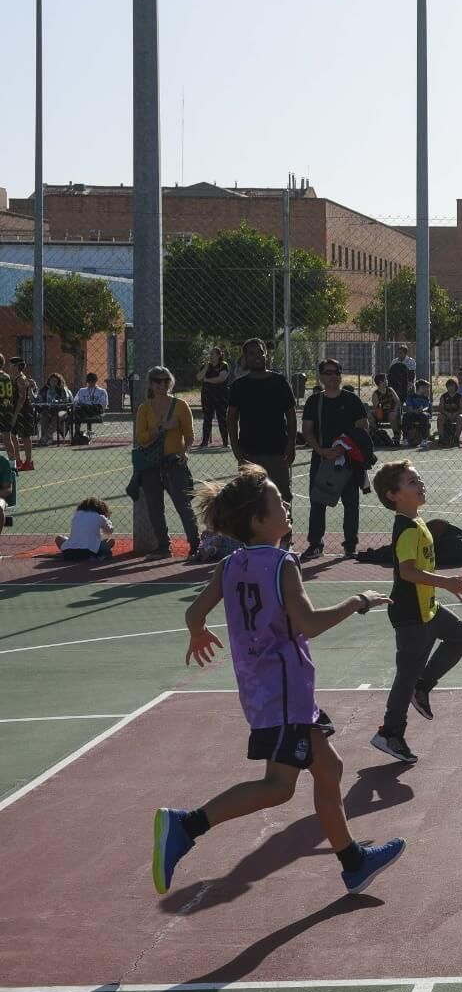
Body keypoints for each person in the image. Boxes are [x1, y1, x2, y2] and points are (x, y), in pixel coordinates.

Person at [152, 464, 405, 897]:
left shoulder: (229, 566)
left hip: (264, 691)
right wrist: (357, 602)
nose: (286, 504)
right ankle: (186, 825)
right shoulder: (282, 564)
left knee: (329, 768)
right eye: (277, 500)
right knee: (279, 787)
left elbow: (194, 614)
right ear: (257, 520)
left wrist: (199, 633)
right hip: (286, 693)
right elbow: (308, 623)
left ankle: (353, 863)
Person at [369, 460, 462, 764]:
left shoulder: (417, 522)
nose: (421, 484)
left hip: (427, 608)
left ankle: (423, 686)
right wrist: (447, 582)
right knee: (406, 676)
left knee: (460, 637)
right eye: (412, 482)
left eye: (419, 479)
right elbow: (407, 572)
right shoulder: (406, 529)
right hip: (411, 614)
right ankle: (390, 732)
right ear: (393, 495)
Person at [228, 338, 298, 545]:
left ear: (266, 354)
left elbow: (291, 415)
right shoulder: (239, 386)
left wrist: (291, 444)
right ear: (245, 358)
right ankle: (253, 541)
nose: (256, 356)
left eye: (260, 352)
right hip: (249, 453)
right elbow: (231, 418)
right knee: (250, 499)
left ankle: (285, 540)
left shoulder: (279, 382)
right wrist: (235, 447)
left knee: (282, 496)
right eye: (251, 353)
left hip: (278, 452)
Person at [302, 359, 370, 559]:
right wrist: (321, 450)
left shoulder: (352, 400)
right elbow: (307, 431)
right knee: (317, 503)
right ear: (320, 376)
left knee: (351, 504)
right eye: (328, 372)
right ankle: (316, 545)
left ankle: (350, 546)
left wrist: (345, 447)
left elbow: (363, 427)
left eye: (337, 372)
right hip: (322, 460)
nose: (333, 376)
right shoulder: (314, 401)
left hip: (349, 462)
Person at [135, 365, 201, 560]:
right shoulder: (144, 408)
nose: (162, 384)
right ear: (151, 384)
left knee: (183, 505)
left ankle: (196, 545)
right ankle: (163, 546)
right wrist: (162, 427)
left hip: (174, 463)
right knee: (155, 508)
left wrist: (185, 452)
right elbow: (142, 438)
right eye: (157, 380)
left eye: (166, 380)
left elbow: (189, 435)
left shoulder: (181, 405)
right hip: (151, 465)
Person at [54, 496, 114, 560]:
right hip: (89, 551)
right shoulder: (100, 517)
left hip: (68, 551)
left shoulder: (77, 515)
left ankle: (71, 553)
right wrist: (107, 520)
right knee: (111, 541)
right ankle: (98, 556)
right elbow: (109, 531)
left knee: (59, 538)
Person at [199, 347, 232, 449]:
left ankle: (225, 442)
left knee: (222, 418)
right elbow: (199, 377)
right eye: (210, 354)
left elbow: (221, 378)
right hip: (207, 396)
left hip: (221, 396)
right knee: (207, 419)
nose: (210, 356)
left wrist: (207, 380)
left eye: (213, 354)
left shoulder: (223, 365)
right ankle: (205, 442)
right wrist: (206, 367)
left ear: (218, 355)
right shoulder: (206, 366)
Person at [9, 358, 35, 471]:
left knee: (25, 436)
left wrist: (16, 414)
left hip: (23, 410)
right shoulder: (13, 378)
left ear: (17, 367)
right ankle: (17, 460)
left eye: (11, 365)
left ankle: (28, 462)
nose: (9, 367)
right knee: (12, 435)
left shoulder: (21, 379)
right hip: (14, 409)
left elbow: (22, 398)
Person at [71, 372, 109, 442]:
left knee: (84, 407)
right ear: (87, 381)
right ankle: (77, 433)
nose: (91, 383)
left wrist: (88, 406)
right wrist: (83, 405)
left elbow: (103, 405)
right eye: (89, 381)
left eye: (92, 381)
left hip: (96, 410)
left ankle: (77, 433)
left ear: (96, 381)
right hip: (83, 410)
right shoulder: (82, 391)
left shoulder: (102, 391)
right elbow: (75, 401)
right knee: (78, 409)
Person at [386, 347, 414, 435]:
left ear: (405, 353)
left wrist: (408, 386)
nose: (399, 354)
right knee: (397, 405)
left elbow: (411, 376)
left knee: (409, 404)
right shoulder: (394, 361)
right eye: (398, 352)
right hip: (396, 387)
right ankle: (398, 427)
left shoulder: (411, 361)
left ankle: (409, 423)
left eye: (401, 353)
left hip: (408, 385)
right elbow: (390, 375)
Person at [38, 373, 71, 444]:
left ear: (59, 382)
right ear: (49, 381)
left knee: (57, 416)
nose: (53, 382)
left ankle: (46, 436)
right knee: (43, 415)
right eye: (51, 380)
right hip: (49, 410)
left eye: (55, 381)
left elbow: (66, 401)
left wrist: (57, 401)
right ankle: (49, 439)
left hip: (63, 411)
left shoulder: (63, 389)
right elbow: (39, 399)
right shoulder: (45, 390)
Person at [401, 380, 433, 448]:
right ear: (421, 388)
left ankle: (424, 440)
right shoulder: (411, 397)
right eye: (426, 387)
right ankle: (405, 439)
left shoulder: (426, 398)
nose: (428, 390)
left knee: (424, 416)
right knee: (406, 416)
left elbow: (427, 408)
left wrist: (422, 410)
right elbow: (409, 409)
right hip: (412, 414)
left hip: (422, 415)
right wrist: (415, 411)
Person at [437, 378, 462, 446]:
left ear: (455, 387)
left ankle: (456, 438)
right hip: (446, 415)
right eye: (449, 386)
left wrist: (455, 413)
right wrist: (447, 413)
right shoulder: (443, 396)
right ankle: (441, 438)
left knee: (460, 417)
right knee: (440, 418)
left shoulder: (460, 397)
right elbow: (441, 409)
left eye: (452, 386)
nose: (450, 388)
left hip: (456, 415)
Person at [0, 360, 16, 462]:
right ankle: (12, 464)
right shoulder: (8, 377)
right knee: (7, 439)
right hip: (7, 409)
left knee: (7, 438)